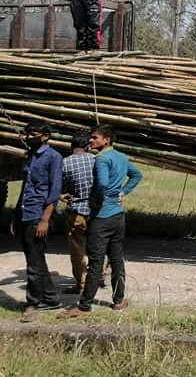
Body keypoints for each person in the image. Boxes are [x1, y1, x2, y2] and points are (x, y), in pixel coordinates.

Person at [59, 124, 142, 318]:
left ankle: (84, 306)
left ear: (107, 140)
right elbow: (136, 175)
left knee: (96, 261)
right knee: (116, 257)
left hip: (102, 216)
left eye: (95, 138)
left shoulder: (102, 159)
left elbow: (102, 184)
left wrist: (98, 200)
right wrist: (123, 192)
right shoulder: (121, 157)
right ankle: (118, 300)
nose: (91, 140)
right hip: (118, 215)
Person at [11, 121, 63, 321]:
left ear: (45, 136)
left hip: (38, 216)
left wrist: (45, 219)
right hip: (25, 212)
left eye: (33, 133)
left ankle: (32, 303)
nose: (28, 137)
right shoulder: (31, 157)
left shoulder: (53, 157)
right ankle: (50, 298)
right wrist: (15, 216)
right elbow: (25, 189)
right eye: (27, 133)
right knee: (36, 258)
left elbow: (54, 191)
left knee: (33, 262)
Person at [60, 131, 103, 294]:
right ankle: (99, 276)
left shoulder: (66, 162)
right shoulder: (97, 160)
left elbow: (62, 187)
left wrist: (63, 195)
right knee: (98, 245)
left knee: (77, 249)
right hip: (98, 210)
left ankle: (82, 284)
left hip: (77, 211)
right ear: (87, 146)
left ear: (72, 146)